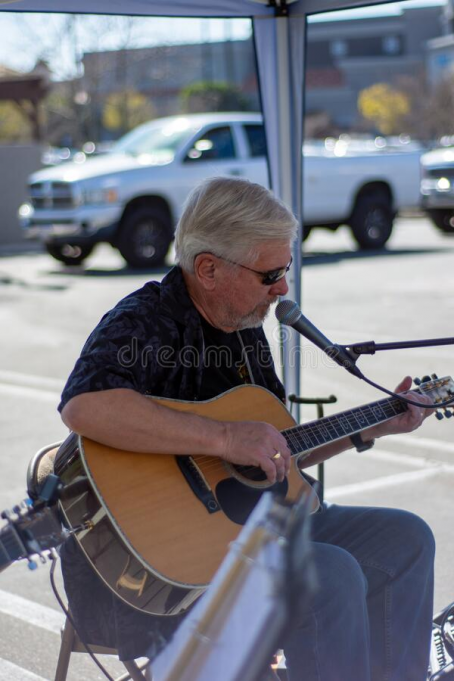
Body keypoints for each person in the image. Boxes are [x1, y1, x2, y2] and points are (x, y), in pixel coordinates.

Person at [58, 177, 435, 681]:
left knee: (407, 538)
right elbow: (84, 405)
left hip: (252, 532)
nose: (283, 288)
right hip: (152, 576)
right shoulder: (144, 319)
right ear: (209, 269)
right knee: (330, 575)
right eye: (270, 274)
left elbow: (277, 455)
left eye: (286, 270)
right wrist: (223, 438)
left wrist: (375, 427)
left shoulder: (244, 328)